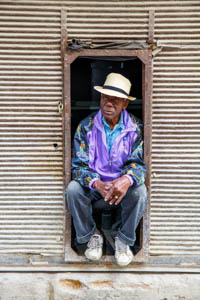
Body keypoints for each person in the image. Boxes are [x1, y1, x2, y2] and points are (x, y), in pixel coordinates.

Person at [66, 72, 147, 266]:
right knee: (73, 189)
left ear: (125, 104)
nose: (108, 104)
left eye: (115, 100)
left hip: (121, 188)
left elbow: (139, 164)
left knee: (140, 192)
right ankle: (92, 235)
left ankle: (124, 240)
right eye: (105, 98)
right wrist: (96, 183)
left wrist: (126, 180)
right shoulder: (86, 127)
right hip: (95, 187)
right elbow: (78, 165)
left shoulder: (136, 128)